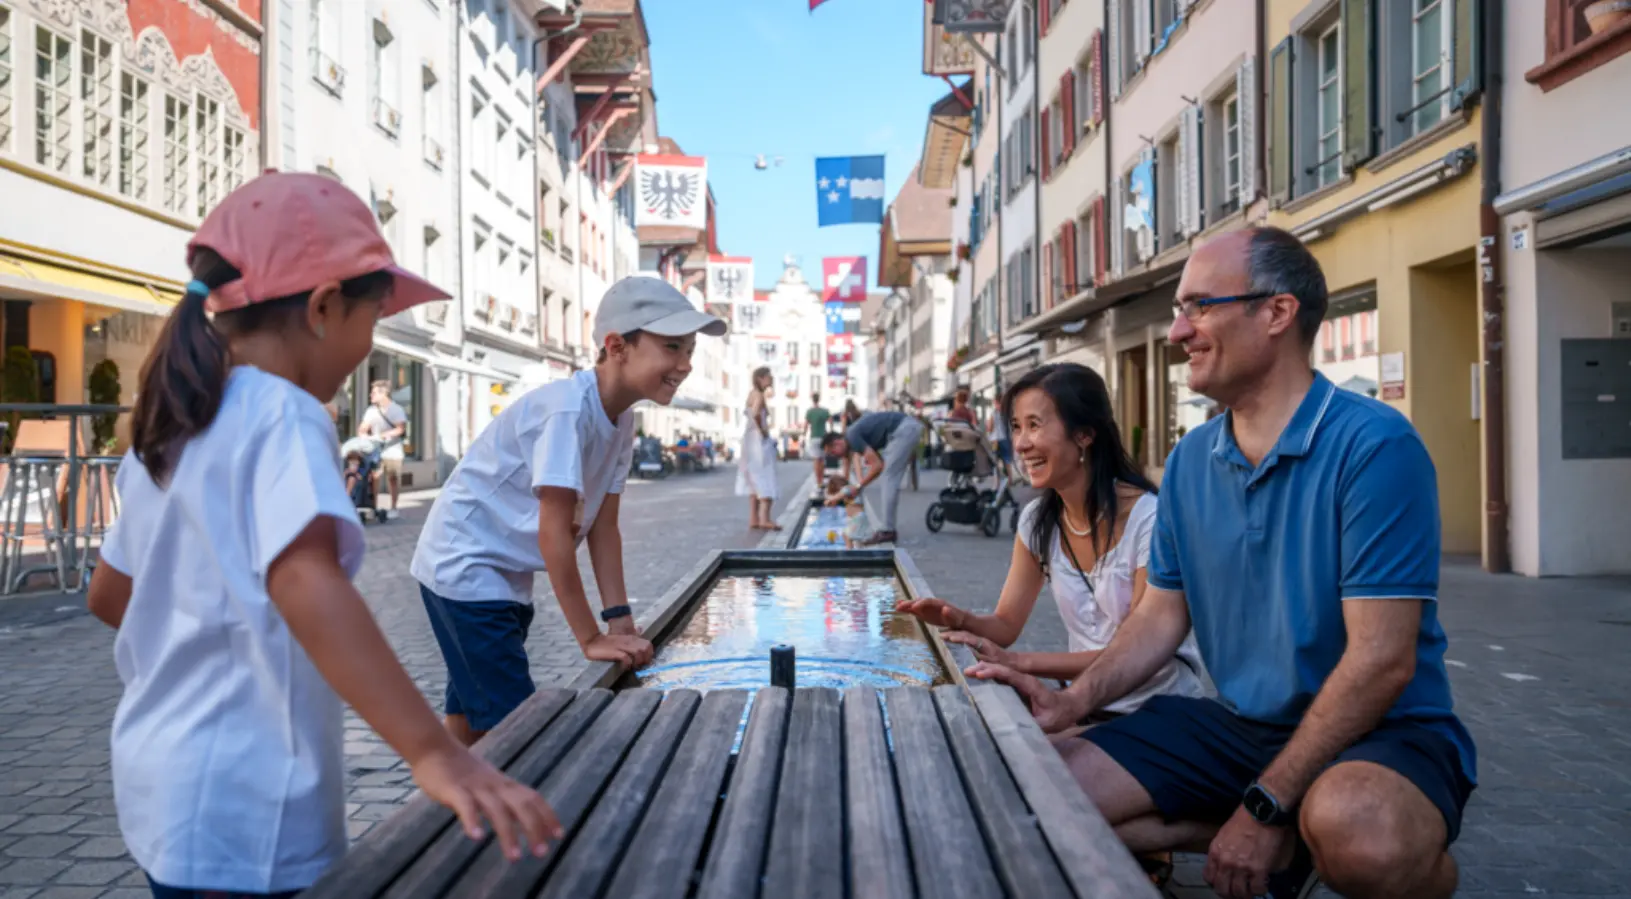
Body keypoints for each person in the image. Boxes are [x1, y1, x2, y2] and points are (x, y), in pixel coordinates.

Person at [84, 173, 560, 899]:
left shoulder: (172, 424)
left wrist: (211, 625)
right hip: (248, 802)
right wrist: (435, 753)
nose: (369, 343)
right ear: (322, 307)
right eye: (372, 319)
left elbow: (109, 593)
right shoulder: (282, 411)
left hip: (160, 785)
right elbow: (305, 580)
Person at [968, 228, 1476, 899]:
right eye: (1180, 309)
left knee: (1358, 833)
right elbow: (1156, 617)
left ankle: (1359, 847)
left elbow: (1381, 661)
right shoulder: (1188, 461)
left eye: (1198, 307)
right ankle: (1294, 835)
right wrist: (1073, 704)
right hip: (1241, 724)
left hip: (1381, 731)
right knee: (1031, 785)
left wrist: (1264, 802)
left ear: (1275, 312)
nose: (1178, 330)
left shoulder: (1374, 445)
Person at [411, 276, 726, 747]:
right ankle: (504, 814)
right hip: (464, 566)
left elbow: (604, 526)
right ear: (617, 346)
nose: (685, 365)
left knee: (473, 716)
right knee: (519, 728)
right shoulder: (566, 411)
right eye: (673, 347)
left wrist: (618, 617)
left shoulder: (621, 419)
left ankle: (446, 811)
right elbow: (554, 534)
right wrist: (589, 637)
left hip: (500, 572)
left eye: (690, 352)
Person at [897, 363, 1209, 715]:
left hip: (1159, 708)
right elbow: (1005, 625)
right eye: (1016, 427)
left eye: (1035, 425)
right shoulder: (1036, 522)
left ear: (1085, 434)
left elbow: (1136, 650)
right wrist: (958, 619)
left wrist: (1018, 662)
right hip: (1084, 705)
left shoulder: (1149, 520)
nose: (1021, 444)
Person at [820, 409, 923, 545]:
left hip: (904, 429)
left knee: (889, 476)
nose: (834, 456)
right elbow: (871, 463)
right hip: (905, 428)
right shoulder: (852, 439)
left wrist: (859, 486)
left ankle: (887, 531)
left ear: (838, 442)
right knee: (888, 475)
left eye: (832, 452)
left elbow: (877, 466)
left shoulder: (852, 437)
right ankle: (887, 529)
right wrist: (854, 485)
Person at [736, 366, 781, 530]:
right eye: (769, 377)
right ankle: (765, 519)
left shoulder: (751, 394)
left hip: (749, 440)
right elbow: (755, 413)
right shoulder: (760, 395)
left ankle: (754, 518)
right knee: (766, 477)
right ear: (761, 378)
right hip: (758, 440)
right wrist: (763, 431)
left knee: (753, 480)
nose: (772, 379)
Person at [359, 379, 408, 517]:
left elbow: (400, 429)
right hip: (376, 449)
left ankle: (393, 507)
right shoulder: (371, 411)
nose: (371, 395)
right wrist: (363, 433)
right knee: (374, 477)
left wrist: (382, 435)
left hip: (393, 450)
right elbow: (363, 427)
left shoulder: (396, 409)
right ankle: (373, 508)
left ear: (384, 394)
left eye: (374, 393)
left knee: (392, 478)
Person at [805, 393, 834, 484]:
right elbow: (830, 421)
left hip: (814, 437)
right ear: (819, 399)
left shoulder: (809, 412)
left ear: (812, 400)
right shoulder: (824, 411)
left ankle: (818, 482)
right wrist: (830, 431)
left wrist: (804, 434)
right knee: (822, 460)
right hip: (823, 437)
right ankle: (821, 479)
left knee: (816, 460)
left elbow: (806, 425)